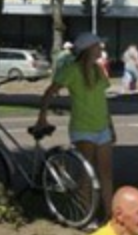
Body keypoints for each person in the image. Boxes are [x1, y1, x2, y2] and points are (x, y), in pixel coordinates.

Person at [36, 32, 115, 221]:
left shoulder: (98, 70)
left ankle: (110, 216)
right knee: (87, 174)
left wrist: (111, 126)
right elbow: (49, 92)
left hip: (102, 127)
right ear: (88, 50)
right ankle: (85, 214)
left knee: (105, 173)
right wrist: (42, 117)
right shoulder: (71, 70)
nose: (100, 49)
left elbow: (103, 101)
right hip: (83, 128)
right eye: (97, 46)